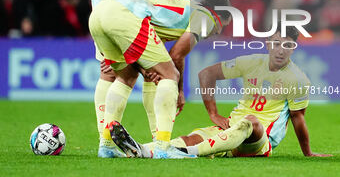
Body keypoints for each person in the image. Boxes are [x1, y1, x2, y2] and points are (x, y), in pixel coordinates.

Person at [110, 25, 333, 158]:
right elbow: (207, 74)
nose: (280, 50)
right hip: (228, 129)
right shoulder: (251, 61)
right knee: (191, 137)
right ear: (267, 43)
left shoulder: (298, 79)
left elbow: (298, 118)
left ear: (294, 48)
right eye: (276, 43)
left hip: (259, 140)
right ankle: (142, 150)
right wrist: (214, 114)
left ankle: (189, 154)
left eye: (287, 45)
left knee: (250, 122)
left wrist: (308, 153)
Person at [91, 0, 203, 158]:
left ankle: (147, 139)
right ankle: (155, 145)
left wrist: (147, 65)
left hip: (140, 14)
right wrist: (143, 66)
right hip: (109, 5)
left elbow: (160, 15)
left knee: (143, 72)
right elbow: (125, 6)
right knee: (111, 72)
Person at [89, 0, 231, 158]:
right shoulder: (206, 16)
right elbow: (176, 55)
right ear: (219, 15)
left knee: (125, 77)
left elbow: (172, 55)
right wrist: (179, 90)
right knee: (170, 76)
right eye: (223, 25)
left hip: (99, 13)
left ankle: (106, 146)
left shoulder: (178, 12)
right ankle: (162, 148)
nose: (218, 32)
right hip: (123, 17)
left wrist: (146, 70)